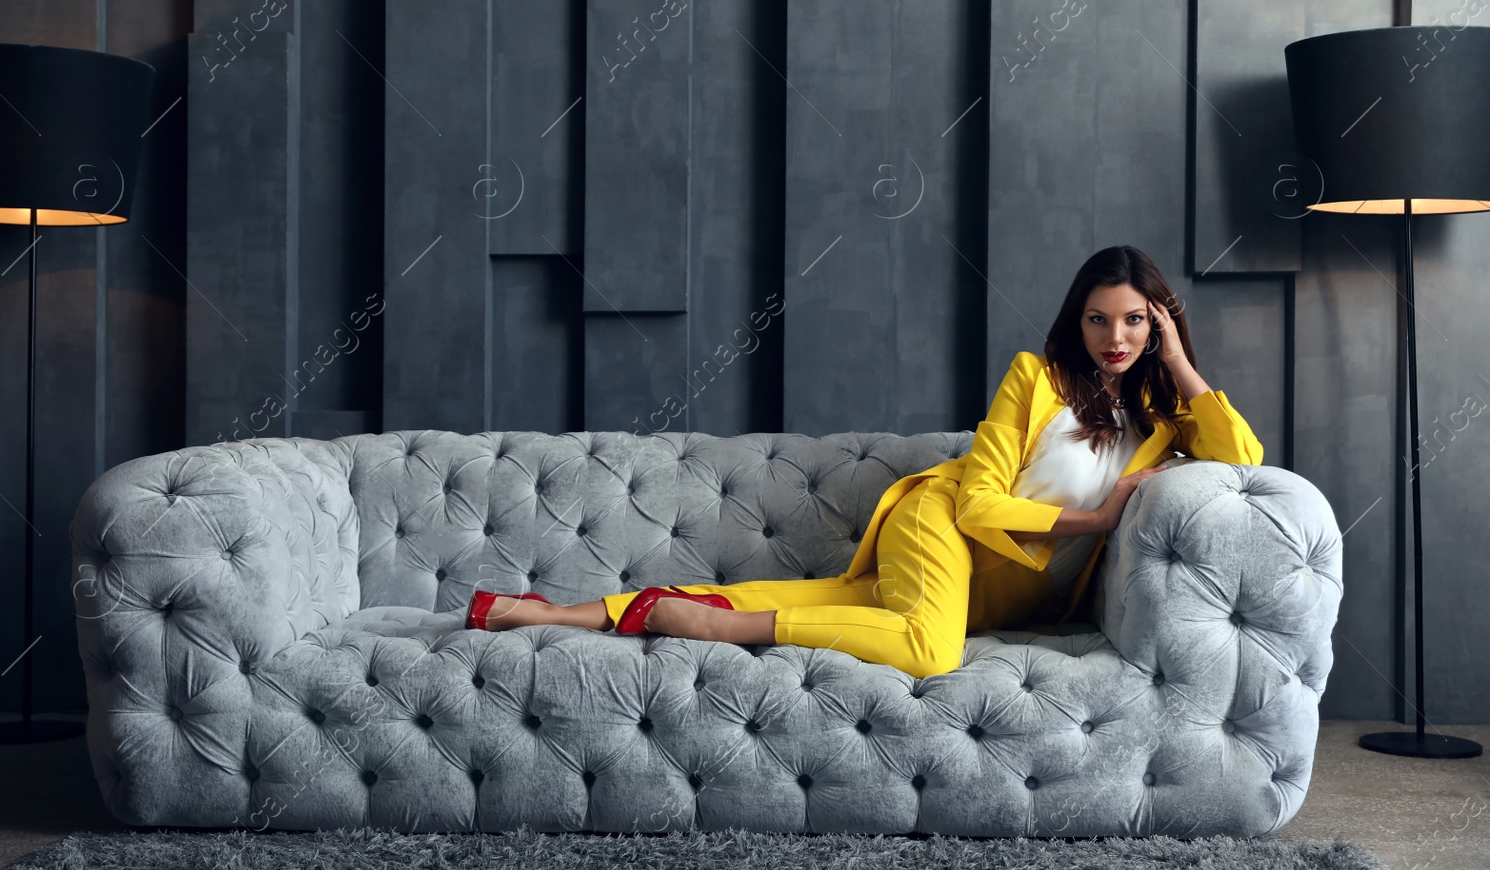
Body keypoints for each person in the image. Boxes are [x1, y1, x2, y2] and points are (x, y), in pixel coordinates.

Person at [465, 245, 1264, 678]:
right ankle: (721, 626)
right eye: (1098, 318)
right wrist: (1099, 514)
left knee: (799, 593)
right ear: (1076, 322)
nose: (1114, 337)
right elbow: (981, 504)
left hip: (987, 595)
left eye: (1133, 321)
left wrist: (1184, 364)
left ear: (1157, 325)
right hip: (939, 530)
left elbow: (1246, 460)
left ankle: (532, 611)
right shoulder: (1036, 376)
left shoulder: (1166, 420)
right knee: (928, 649)